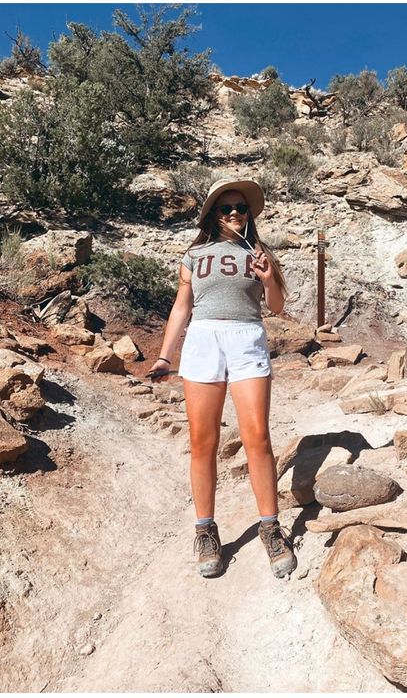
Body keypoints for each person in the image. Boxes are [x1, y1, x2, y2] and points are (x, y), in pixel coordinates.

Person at [146, 178, 297, 579]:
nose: (234, 214)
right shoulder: (195, 254)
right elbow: (182, 307)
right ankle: (206, 530)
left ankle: (270, 527)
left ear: (249, 214)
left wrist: (268, 279)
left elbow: (277, 307)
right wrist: (165, 355)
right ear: (213, 213)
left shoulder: (260, 253)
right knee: (202, 440)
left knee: (257, 436)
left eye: (240, 208)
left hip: (247, 337)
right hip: (204, 339)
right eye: (226, 208)